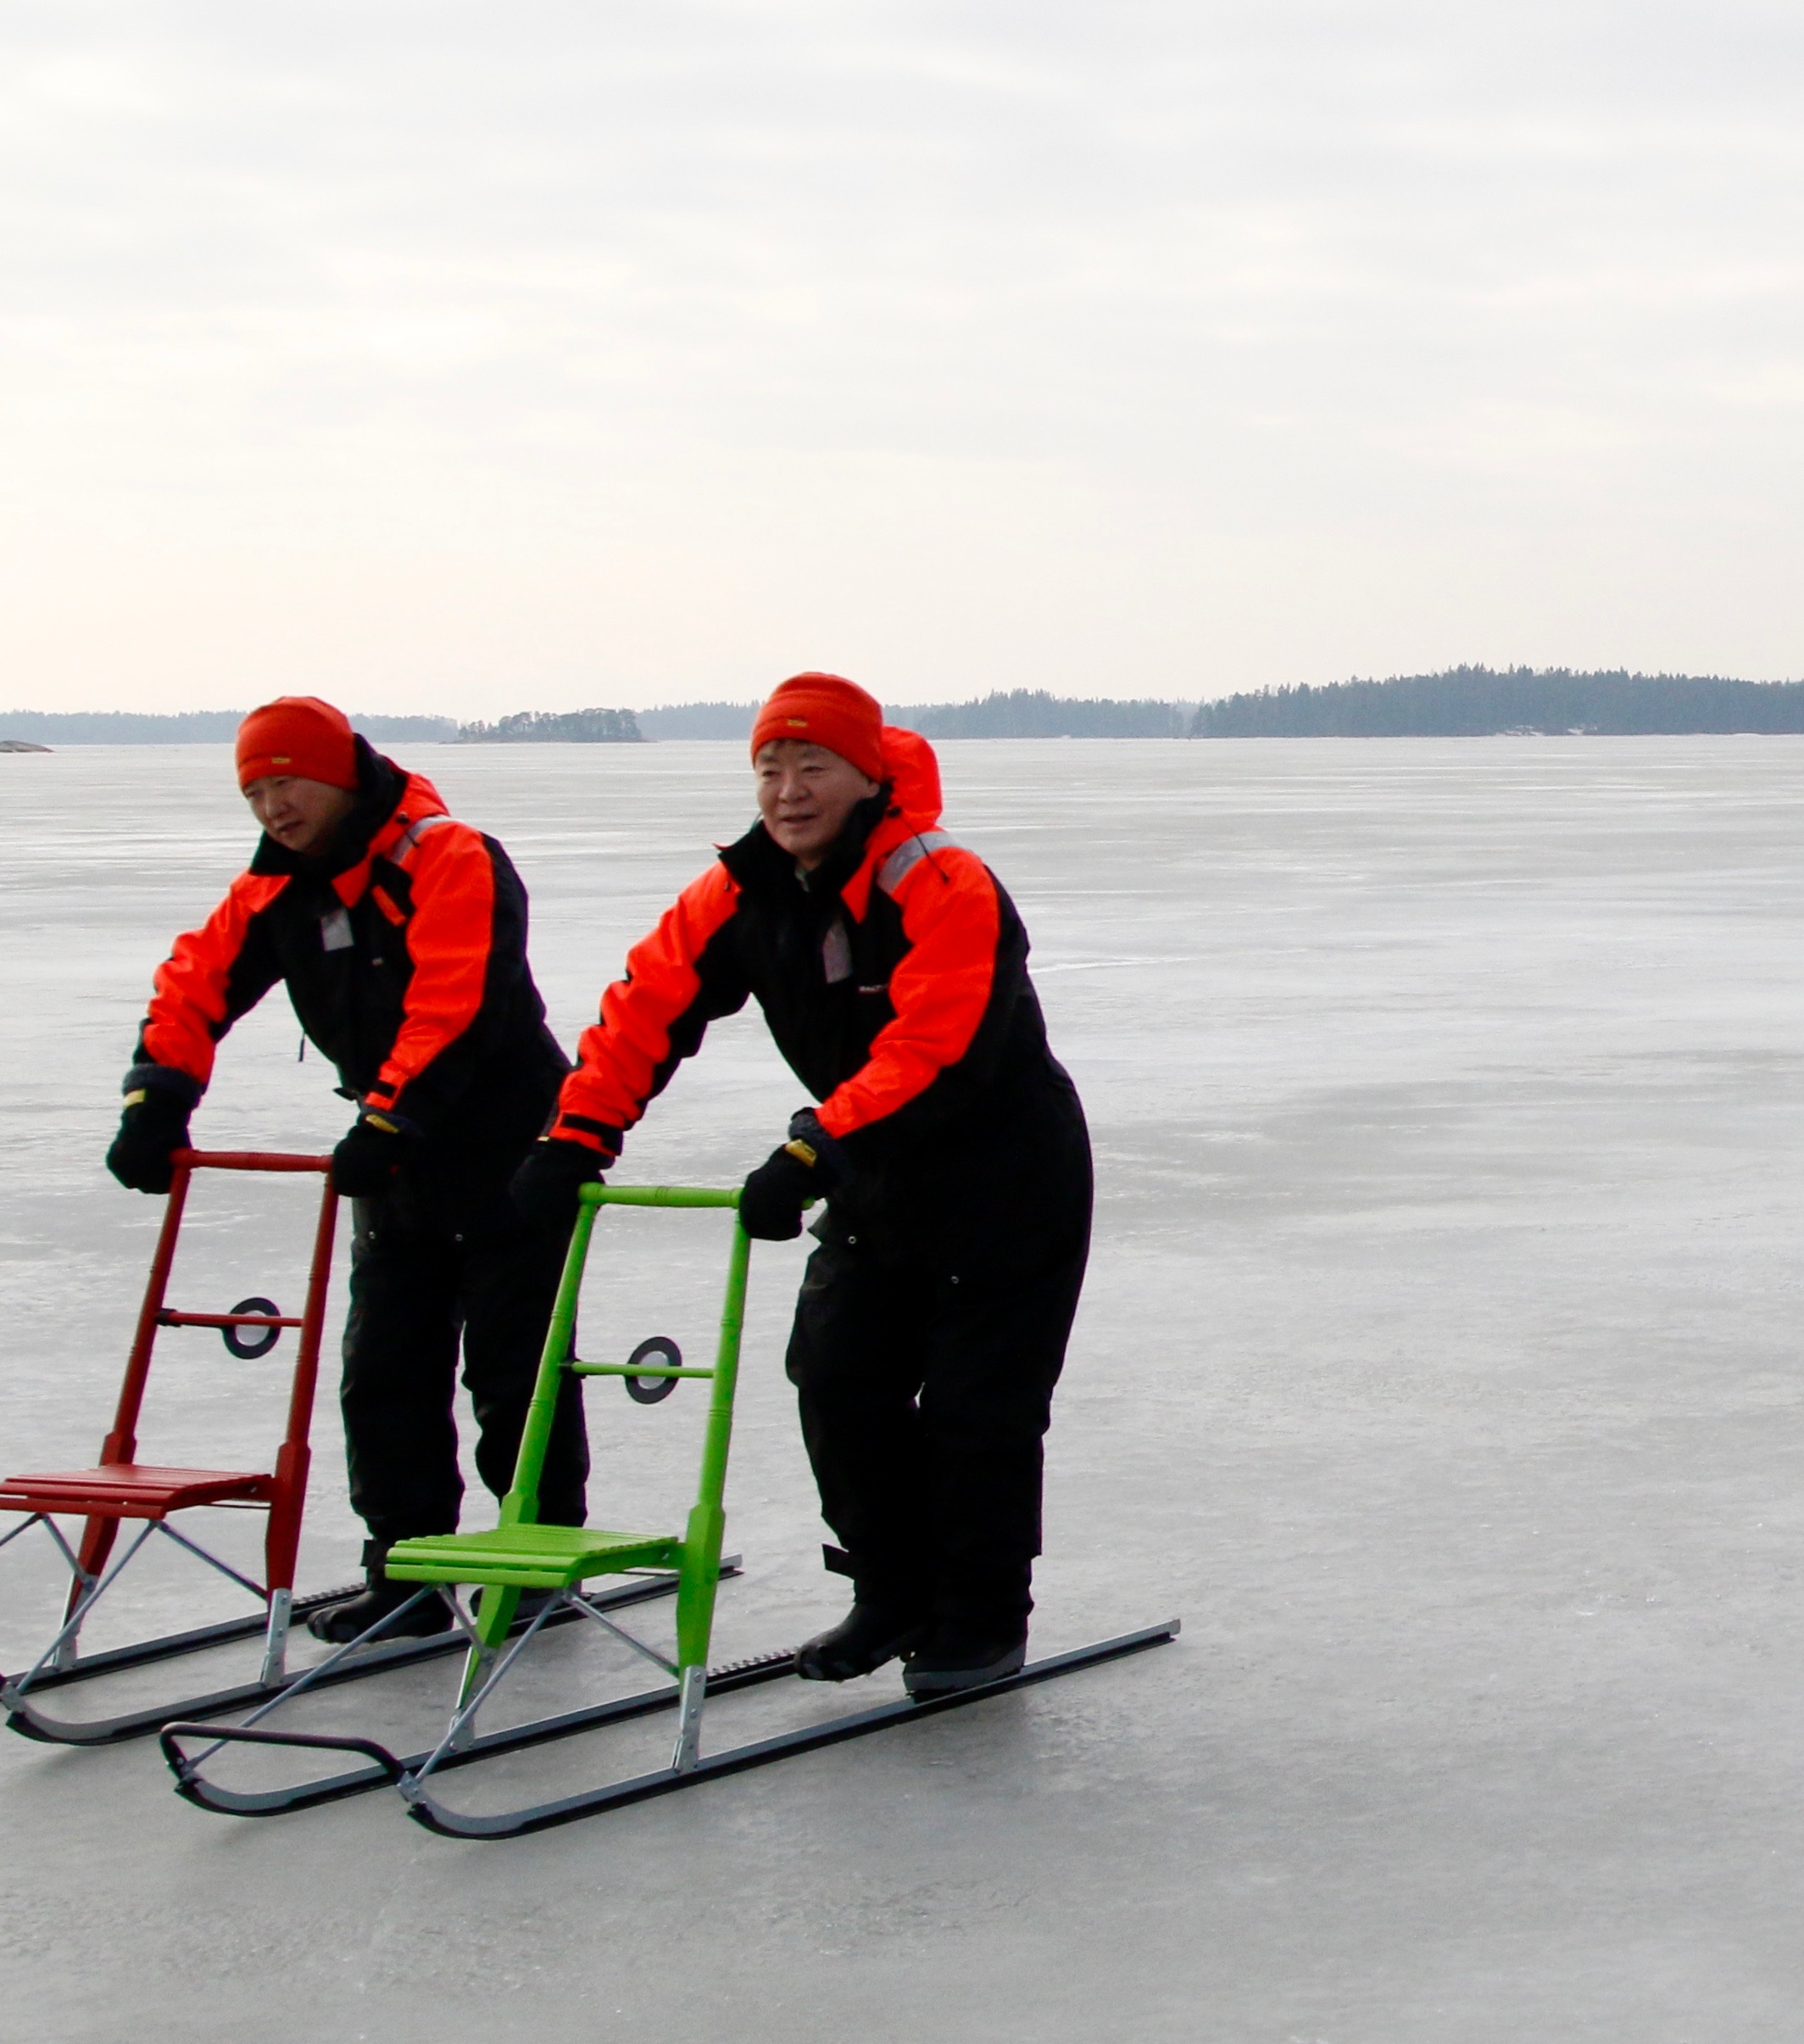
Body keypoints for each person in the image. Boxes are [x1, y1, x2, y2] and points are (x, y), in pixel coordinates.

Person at [515, 674, 1089, 1698]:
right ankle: (892, 1591)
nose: (787, 790)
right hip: (868, 1174)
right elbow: (648, 1003)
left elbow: (934, 1045)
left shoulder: (942, 881)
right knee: (836, 1380)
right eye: (770, 768)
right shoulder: (742, 890)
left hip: (1005, 1177)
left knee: (976, 1411)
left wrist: (812, 1151)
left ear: (867, 773)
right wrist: (574, 1138)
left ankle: (979, 1619)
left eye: (811, 765)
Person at [108, 698, 582, 1643]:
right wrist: (155, 1099)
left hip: (506, 1148)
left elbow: (458, 1003)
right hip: (393, 1159)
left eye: (287, 781)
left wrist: (392, 1113)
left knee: (512, 1363)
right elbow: (195, 983)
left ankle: (535, 1555)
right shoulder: (280, 888)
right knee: (384, 1370)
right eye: (254, 790)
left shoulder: (450, 857)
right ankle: (403, 1571)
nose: (273, 806)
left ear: (339, 776)